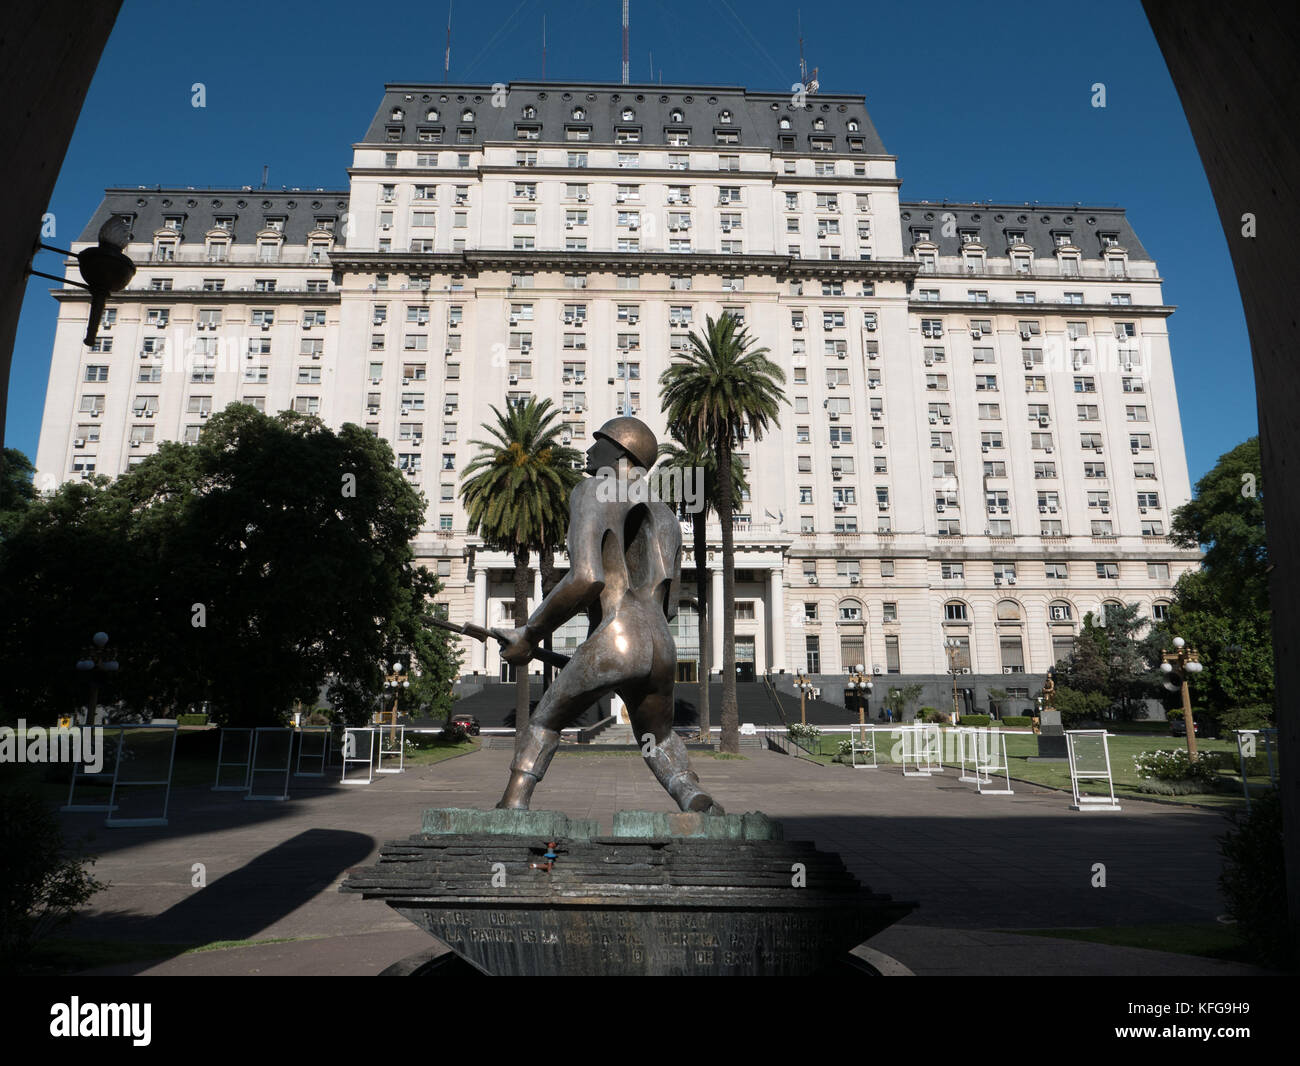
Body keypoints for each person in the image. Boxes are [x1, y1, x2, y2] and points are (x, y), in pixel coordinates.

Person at [493, 416, 723, 814]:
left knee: (545, 722)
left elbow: (585, 578)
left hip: (615, 634)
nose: (588, 451)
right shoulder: (667, 515)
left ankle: (513, 803)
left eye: (596, 443)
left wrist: (530, 634)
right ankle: (691, 794)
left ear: (619, 452)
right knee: (660, 737)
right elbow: (669, 606)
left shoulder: (592, 491)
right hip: (660, 645)